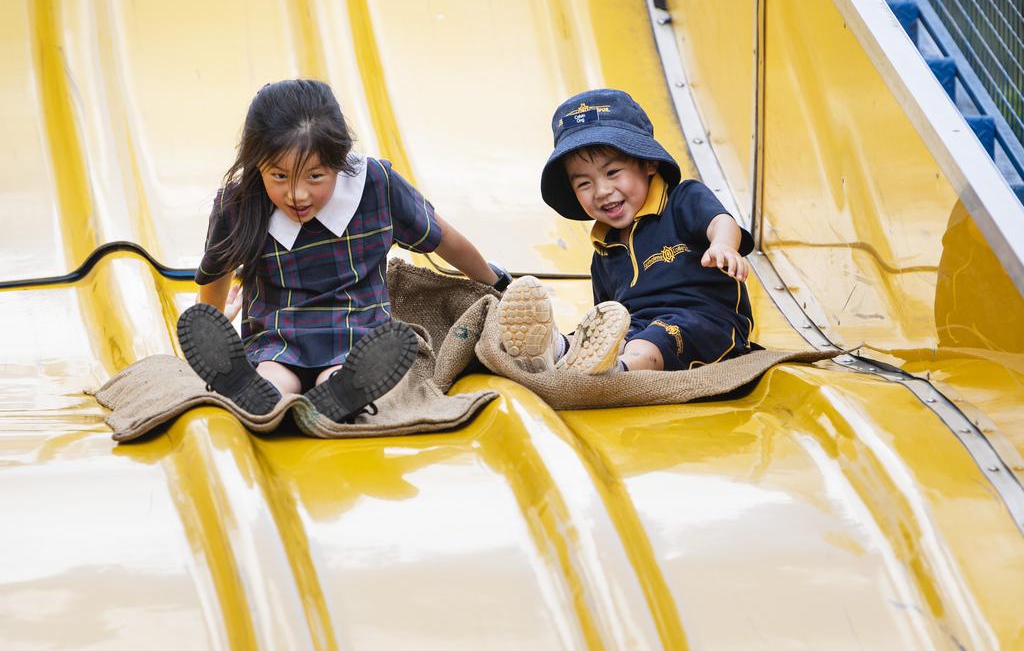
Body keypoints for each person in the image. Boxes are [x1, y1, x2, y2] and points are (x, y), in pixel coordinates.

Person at [178, 79, 509, 421]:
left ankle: (333, 395)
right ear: (256, 163)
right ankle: (268, 396)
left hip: (357, 337)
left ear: (339, 159)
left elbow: (444, 239)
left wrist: (494, 283)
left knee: (337, 372)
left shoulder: (375, 186)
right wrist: (211, 328)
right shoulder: (241, 202)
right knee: (274, 375)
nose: (297, 195)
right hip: (280, 339)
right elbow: (218, 272)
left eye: (315, 177)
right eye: (279, 176)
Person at [498, 88, 753, 374]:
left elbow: (720, 221)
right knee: (606, 338)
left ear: (648, 163)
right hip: (636, 327)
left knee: (645, 346)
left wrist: (723, 245)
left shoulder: (682, 200)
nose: (602, 191)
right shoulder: (604, 251)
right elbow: (608, 316)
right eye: (584, 184)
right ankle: (555, 349)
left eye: (612, 173)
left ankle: (615, 372)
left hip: (704, 321)